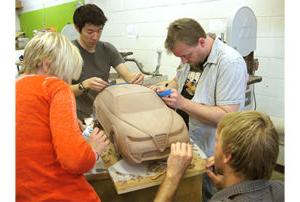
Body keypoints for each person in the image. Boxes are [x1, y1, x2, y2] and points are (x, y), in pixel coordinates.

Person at [157, 18, 248, 201]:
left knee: (211, 195)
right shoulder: (190, 57)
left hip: (212, 152)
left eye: (186, 55)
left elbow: (227, 116)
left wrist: (181, 103)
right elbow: (179, 81)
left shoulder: (230, 62)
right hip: (189, 141)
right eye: (179, 57)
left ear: (201, 41)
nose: (183, 61)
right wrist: (166, 87)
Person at [16, 32, 110, 202]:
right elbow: (75, 161)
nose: (67, 81)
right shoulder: (54, 87)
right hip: (60, 194)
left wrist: (72, 131)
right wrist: (93, 150)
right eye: (66, 75)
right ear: (47, 64)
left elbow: (34, 140)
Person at [155, 111, 284, 202]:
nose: (215, 146)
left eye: (216, 141)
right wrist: (227, 188)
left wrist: (173, 177)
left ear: (227, 155)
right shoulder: (280, 188)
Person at [71, 4, 144, 121]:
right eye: (90, 32)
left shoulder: (107, 49)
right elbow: (60, 91)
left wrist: (135, 78)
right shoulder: (68, 52)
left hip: (103, 112)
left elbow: (127, 76)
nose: (95, 37)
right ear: (77, 28)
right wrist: (84, 85)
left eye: (99, 31)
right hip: (79, 116)